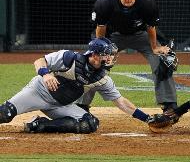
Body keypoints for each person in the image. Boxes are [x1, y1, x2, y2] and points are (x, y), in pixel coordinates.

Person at [0, 38, 153, 133]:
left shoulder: (103, 79)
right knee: (5, 113)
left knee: (89, 124)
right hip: (38, 92)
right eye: (107, 55)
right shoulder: (69, 58)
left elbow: (121, 102)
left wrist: (147, 118)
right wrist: (46, 74)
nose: (111, 58)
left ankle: (39, 125)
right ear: (95, 55)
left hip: (61, 105)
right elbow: (39, 61)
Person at [90, 0, 178, 113]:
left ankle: (169, 106)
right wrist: (103, 51)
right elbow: (100, 30)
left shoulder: (147, 2)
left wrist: (155, 48)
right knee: (92, 62)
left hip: (141, 35)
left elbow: (151, 27)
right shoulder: (104, 4)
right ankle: (82, 105)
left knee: (163, 59)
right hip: (113, 36)